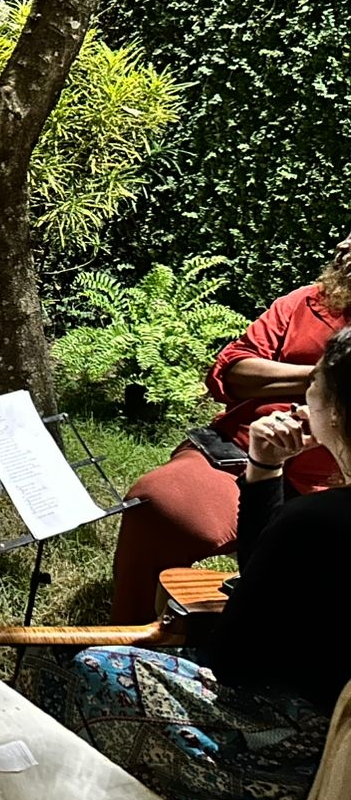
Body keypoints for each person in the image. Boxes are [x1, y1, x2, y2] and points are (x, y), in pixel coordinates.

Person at [18, 328, 351, 800]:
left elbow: (234, 660)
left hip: (305, 749)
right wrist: (263, 470)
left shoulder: (320, 519)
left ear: (337, 412)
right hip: (330, 718)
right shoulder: (320, 516)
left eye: (315, 382)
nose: (305, 395)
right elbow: (265, 565)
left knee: (69, 666)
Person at [110, 228, 351, 622]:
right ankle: (129, 630)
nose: (342, 244)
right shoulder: (305, 302)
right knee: (161, 502)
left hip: (330, 487)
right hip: (237, 454)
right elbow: (231, 371)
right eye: (347, 235)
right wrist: (322, 380)